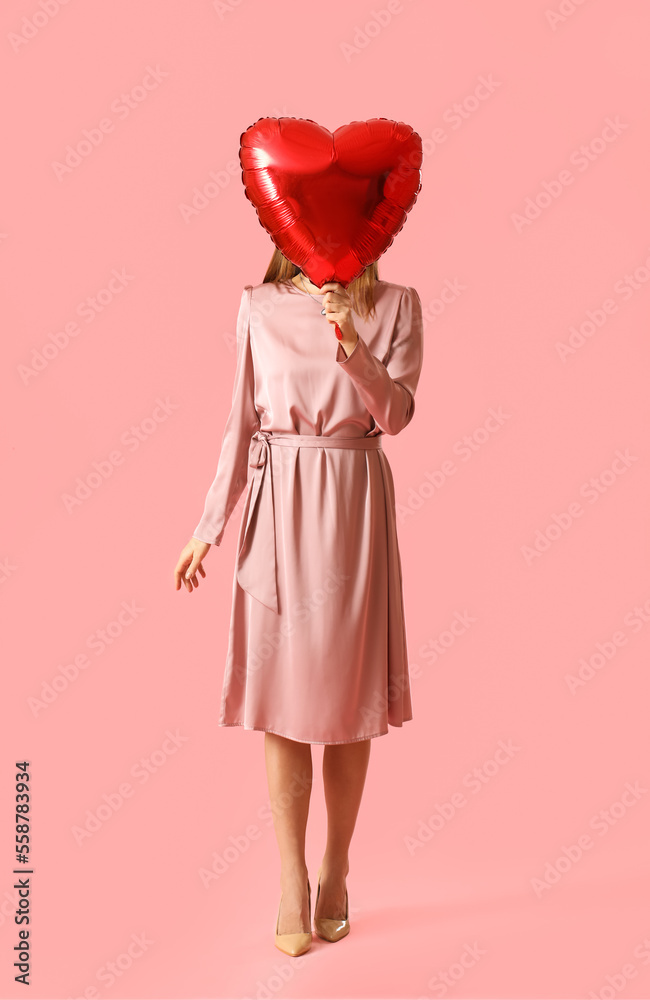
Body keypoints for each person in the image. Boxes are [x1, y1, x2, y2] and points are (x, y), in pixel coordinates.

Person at [174, 248, 424, 956]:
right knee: (282, 701)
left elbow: (397, 415)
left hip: (354, 501)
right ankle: (290, 876)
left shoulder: (397, 304)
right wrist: (207, 528)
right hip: (278, 501)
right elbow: (239, 425)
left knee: (347, 707)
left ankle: (336, 864)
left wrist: (351, 341)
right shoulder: (258, 305)